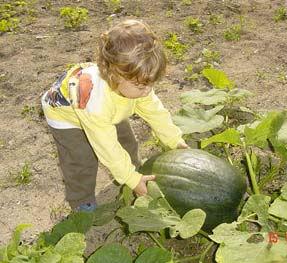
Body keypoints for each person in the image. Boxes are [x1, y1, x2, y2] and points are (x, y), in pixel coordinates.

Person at [41, 19, 189, 212]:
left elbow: (156, 113)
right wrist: (130, 180)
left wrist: (175, 140)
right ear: (115, 76)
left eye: (150, 84)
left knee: (128, 142)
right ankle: (81, 201)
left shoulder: (136, 84)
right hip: (66, 116)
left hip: (108, 109)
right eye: (142, 85)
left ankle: (135, 171)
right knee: (81, 161)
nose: (147, 90)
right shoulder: (95, 102)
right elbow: (107, 148)